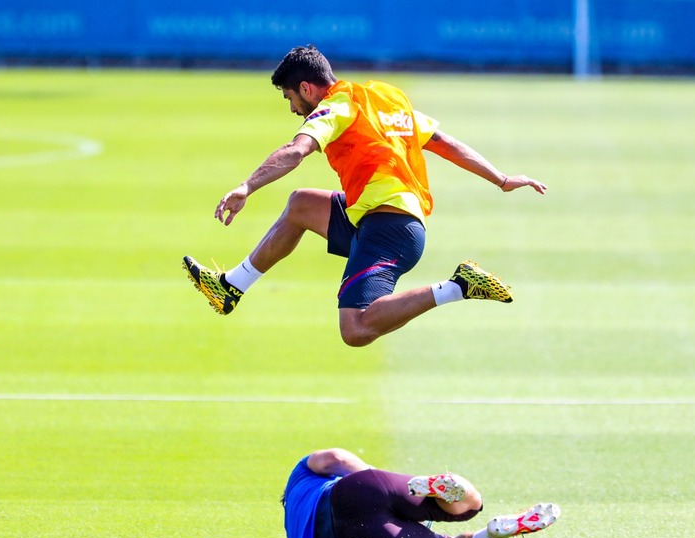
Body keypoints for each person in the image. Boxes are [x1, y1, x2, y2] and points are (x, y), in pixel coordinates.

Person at [182, 45, 547, 347]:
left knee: (354, 329)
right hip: (381, 215)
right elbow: (443, 142)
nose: (292, 108)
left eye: (290, 98)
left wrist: (247, 186)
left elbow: (297, 150)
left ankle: (458, 286)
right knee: (301, 205)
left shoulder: (337, 107)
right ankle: (230, 287)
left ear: (308, 89)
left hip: (389, 228)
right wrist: (500, 178)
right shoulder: (385, 98)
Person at [281, 448, 560, 538]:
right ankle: (430, 489)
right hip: (355, 493)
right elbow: (333, 457)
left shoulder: (295, 537)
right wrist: (378, 480)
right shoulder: (299, 480)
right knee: (471, 505)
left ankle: (492, 535)